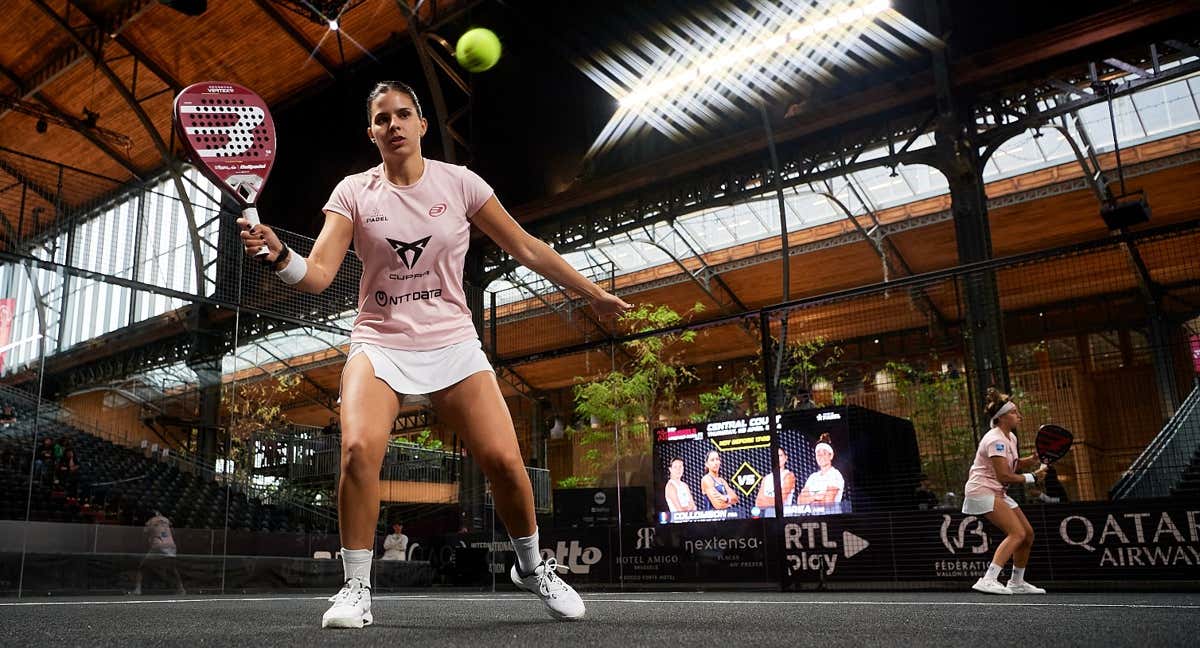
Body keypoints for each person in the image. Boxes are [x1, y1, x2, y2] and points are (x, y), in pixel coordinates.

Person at [238, 81, 630, 628]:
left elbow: (527, 247)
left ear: (422, 124)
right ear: (371, 132)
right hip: (379, 340)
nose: (393, 124)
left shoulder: (461, 184)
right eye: (381, 118)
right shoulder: (353, 192)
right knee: (356, 449)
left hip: (452, 341)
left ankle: (532, 566)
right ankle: (355, 588)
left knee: (505, 462)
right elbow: (319, 274)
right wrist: (278, 253)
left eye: (403, 114)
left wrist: (594, 294)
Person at [962, 388, 1048, 595]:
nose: (1019, 416)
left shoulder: (1010, 438)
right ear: (1001, 418)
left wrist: (1032, 460)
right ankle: (988, 579)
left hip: (997, 491)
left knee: (1027, 534)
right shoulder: (995, 439)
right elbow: (1004, 475)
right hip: (982, 489)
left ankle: (1016, 582)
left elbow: (1012, 465)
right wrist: (1033, 477)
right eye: (1014, 412)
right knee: (1016, 533)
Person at [132, 510, 186, 596]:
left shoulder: (149, 522)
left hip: (158, 546)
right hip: (171, 546)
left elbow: (144, 536)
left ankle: (137, 589)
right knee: (172, 568)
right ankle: (181, 589)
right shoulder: (166, 520)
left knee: (142, 568)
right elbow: (173, 532)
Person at [797, 433, 845, 514]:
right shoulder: (812, 477)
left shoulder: (835, 475)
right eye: (818, 454)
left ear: (831, 456)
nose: (821, 456)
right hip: (812, 520)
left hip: (831, 520)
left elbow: (828, 502)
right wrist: (816, 497)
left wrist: (809, 499)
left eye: (824, 453)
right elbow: (800, 501)